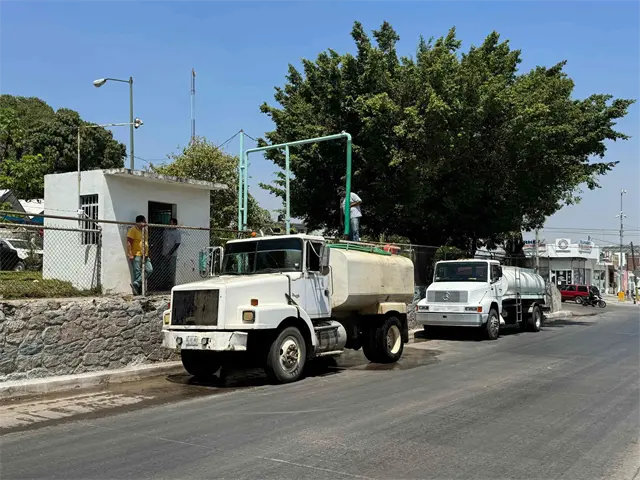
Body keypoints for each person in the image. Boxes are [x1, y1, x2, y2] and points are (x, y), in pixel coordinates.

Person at [127, 215, 153, 295]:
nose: (145, 223)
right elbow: (129, 243)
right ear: (139, 222)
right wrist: (130, 254)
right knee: (137, 272)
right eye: (144, 222)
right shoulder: (133, 230)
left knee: (149, 270)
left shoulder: (144, 231)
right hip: (136, 254)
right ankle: (137, 292)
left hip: (145, 254)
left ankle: (137, 283)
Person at [161, 218, 181, 287]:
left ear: (175, 224)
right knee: (163, 269)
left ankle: (171, 284)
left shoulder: (177, 232)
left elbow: (177, 244)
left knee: (172, 270)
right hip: (164, 253)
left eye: (171, 223)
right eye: (169, 223)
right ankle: (163, 284)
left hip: (172, 255)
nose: (169, 224)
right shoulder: (165, 231)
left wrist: (169, 254)